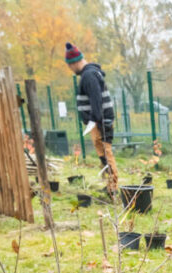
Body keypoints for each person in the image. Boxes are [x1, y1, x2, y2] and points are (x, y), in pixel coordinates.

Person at [64, 42, 118, 200]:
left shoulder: (88, 76)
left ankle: (113, 188)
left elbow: (96, 100)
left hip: (100, 123)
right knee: (103, 155)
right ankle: (109, 186)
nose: (71, 70)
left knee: (106, 154)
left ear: (74, 63)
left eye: (69, 66)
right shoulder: (91, 74)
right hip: (97, 122)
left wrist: (95, 121)